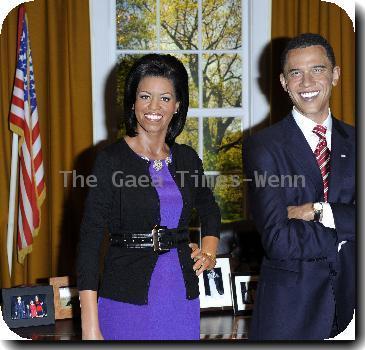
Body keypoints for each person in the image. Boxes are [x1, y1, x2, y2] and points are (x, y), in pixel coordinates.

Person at [77, 54, 221, 340]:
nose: (154, 107)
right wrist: (90, 326)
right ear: (132, 102)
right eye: (145, 96)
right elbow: (89, 245)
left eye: (165, 98)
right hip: (125, 301)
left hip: (182, 298)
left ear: (178, 105)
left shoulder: (188, 159)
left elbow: (210, 209)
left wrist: (209, 251)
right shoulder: (111, 160)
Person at [243, 33, 355, 340]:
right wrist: (346, 231)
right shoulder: (263, 147)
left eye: (317, 69)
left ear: (335, 75)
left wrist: (319, 211)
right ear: (283, 82)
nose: (306, 82)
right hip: (292, 315)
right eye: (296, 73)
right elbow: (278, 239)